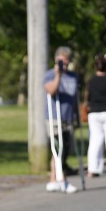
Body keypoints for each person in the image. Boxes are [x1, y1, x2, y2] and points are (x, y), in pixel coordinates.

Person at [43, 46, 79, 193]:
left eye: (66, 61)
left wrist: (77, 115)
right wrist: (58, 75)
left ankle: (54, 179)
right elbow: (51, 90)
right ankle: (61, 179)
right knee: (59, 149)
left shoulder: (73, 76)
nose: (63, 64)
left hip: (68, 117)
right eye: (61, 61)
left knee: (64, 149)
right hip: (54, 118)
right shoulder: (50, 75)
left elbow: (75, 97)